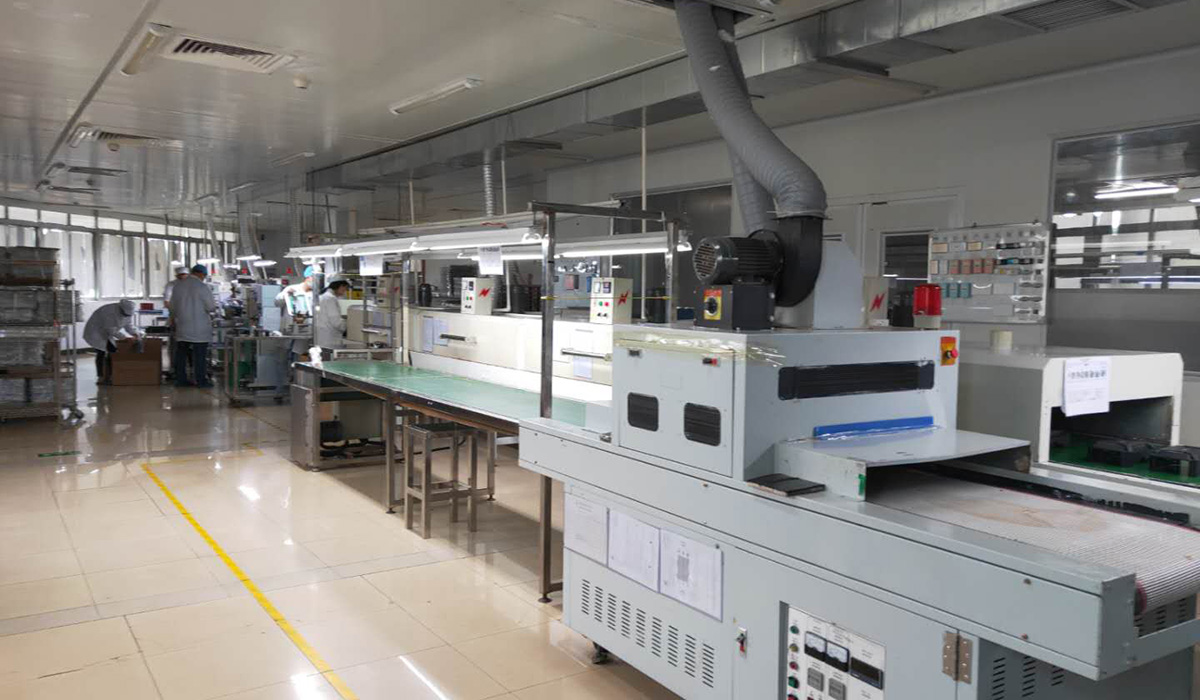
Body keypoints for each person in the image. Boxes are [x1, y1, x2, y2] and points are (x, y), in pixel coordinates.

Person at [168, 264, 216, 388]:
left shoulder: (178, 286)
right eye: (204, 276)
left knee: (181, 355)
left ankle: (181, 380)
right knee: (199, 355)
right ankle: (201, 381)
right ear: (201, 274)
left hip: (183, 326)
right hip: (199, 328)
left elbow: (172, 307)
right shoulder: (202, 287)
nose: (204, 278)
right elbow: (211, 307)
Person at [273, 267, 315, 400]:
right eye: (314, 278)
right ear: (308, 278)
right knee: (280, 361)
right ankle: (279, 390)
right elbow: (277, 302)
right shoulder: (292, 288)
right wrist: (284, 294)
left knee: (299, 362)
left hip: (303, 333)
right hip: (287, 331)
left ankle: (296, 391)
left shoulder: (315, 295)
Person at [83, 299, 140, 384]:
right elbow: (111, 330)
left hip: (106, 333)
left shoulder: (128, 313)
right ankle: (101, 377)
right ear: (121, 309)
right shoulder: (109, 312)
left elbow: (128, 325)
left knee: (112, 351)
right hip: (96, 332)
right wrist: (125, 338)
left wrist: (135, 333)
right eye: (125, 314)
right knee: (101, 352)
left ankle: (110, 375)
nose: (126, 315)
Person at [162, 265, 188, 380]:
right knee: (175, 346)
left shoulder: (191, 285)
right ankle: (174, 369)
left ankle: (187, 369)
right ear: (177, 276)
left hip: (189, 319)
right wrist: (174, 314)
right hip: (175, 317)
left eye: (185, 275)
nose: (183, 277)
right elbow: (166, 302)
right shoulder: (171, 285)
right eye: (181, 275)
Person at [314, 277, 350, 351]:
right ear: (341, 286)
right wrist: (349, 327)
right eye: (345, 289)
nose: (345, 292)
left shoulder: (322, 297)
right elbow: (336, 321)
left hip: (322, 337)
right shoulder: (330, 299)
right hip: (330, 338)